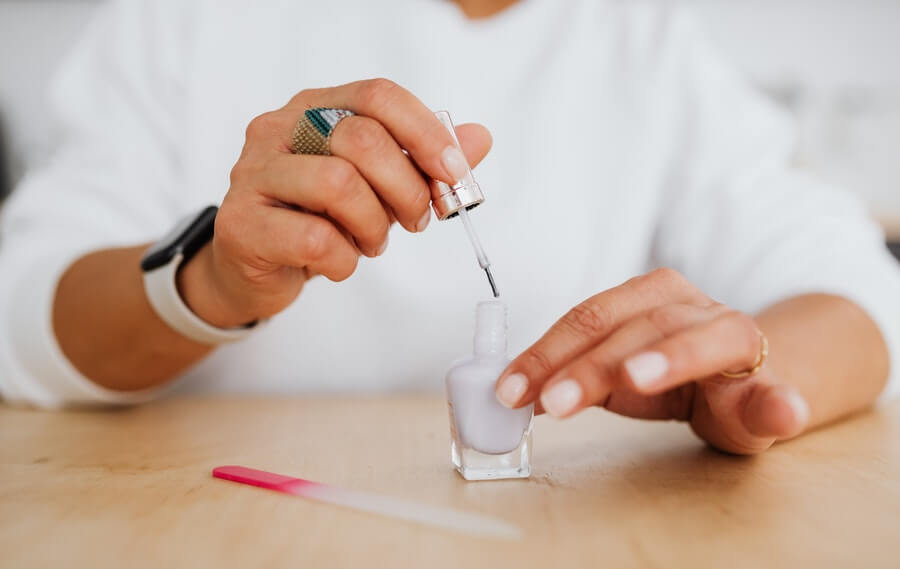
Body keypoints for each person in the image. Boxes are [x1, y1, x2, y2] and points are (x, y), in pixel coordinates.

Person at [1, 0, 898, 456]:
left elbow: (858, 297)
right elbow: (24, 314)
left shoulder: (644, 39)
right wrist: (214, 279)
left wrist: (750, 372)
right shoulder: (188, 21)